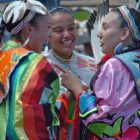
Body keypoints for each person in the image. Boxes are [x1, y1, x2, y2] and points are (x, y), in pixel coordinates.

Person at [61, 5, 140, 139]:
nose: (99, 33)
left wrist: (77, 89)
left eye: (105, 27)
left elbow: (101, 119)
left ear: (124, 33)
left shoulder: (115, 65)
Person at [0, 1, 69, 139]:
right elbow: (39, 117)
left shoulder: (2, 56)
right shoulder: (35, 63)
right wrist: (68, 97)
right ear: (29, 30)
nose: (49, 35)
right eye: (47, 28)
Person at [42, 7, 97, 139]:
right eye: (58, 30)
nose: (67, 34)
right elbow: (38, 113)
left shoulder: (93, 65)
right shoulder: (39, 65)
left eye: (71, 28)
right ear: (47, 34)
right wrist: (69, 95)